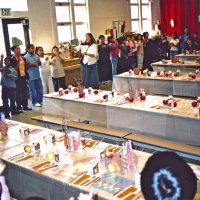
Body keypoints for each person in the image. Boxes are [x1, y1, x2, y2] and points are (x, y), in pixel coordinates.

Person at [10, 45, 32, 111]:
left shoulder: (23, 58)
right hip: (16, 78)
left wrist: (27, 66)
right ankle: (19, 107)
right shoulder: (12, 59)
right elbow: (13, 70)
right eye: (17, 49)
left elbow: (25, 68)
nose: (19, 50)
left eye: (19, 49)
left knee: (24, 92)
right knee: (18, 93)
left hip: (23, 77)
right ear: (13, 51)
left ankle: (25, 106)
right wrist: (18, 62)